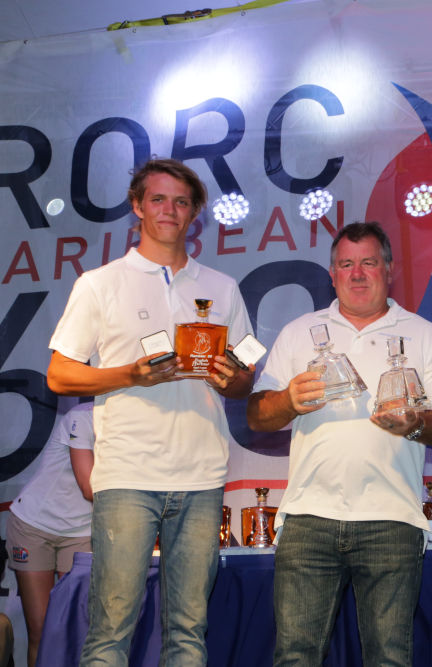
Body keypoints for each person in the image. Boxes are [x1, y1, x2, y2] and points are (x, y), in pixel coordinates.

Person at [46, 158, 254, 665]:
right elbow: (59, 374)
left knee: (189, 630)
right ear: (137, 207)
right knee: (111, 629)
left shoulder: (222, 287)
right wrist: (129, 375)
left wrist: (235, 379)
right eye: (157, 199)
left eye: (181, 202)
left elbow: (247, 368)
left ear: (195, 215)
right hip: (127, 475)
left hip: (202, 474)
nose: (169, 210)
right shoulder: (99, 284)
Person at [246, 221, 432, 666]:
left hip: (392, 517)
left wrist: (417, 424)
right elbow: (257, 415)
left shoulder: (424, 334)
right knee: (294, 656)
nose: (358, 274)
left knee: (389, 658)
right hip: (309, 516)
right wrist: (289, 400)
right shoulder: (298, 331)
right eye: (346, 264)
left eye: (368, 262)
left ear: (389, 269)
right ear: (332, 274)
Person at [5, 402, 95, 667]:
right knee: (42, 630)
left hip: (83, 532)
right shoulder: (83, 415)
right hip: (34, 526)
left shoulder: (143, 429)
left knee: (77, 629)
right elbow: (89, 488)